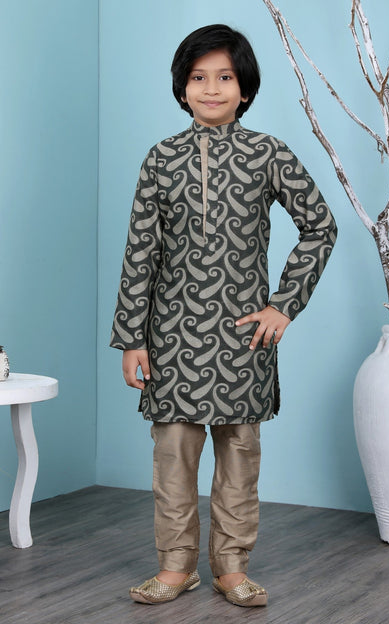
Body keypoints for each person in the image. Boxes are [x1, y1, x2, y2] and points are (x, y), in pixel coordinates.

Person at [110, 24, 337, 607]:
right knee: (173, 456)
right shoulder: (161, 158)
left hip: (243, 337)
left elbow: (320, 226)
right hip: (172, 338)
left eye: (225, 77)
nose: (211, 88)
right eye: (198, 77)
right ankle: (175, 567)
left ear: (245, 88)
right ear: (182, 88)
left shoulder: (268, 153)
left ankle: (232, 568)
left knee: (240, 455)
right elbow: (141, 252)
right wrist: (132, 338)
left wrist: (284, 305)